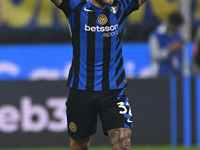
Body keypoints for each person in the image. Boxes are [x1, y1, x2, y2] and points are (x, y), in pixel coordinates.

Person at [50, 0, 147, 149]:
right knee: (80, 145)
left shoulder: (122, 5)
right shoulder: (75, 6)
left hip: (114, 91)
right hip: (82, 91)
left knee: (123, 141)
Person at [149, 12, 189, 77]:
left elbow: (183, 57)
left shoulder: (180, 36)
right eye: (176, 26)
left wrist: (186, 73)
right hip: (160, 75)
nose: (177, 29)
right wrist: (170, 49)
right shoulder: (156, 35)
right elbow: (155, 56)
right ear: (171, 23)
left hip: (177, 75)